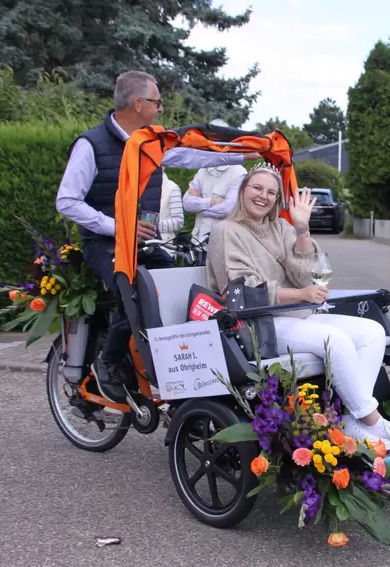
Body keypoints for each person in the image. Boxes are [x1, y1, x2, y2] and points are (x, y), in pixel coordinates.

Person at [56, 71, 260, 403]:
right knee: (135, 293)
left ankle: (177, 367)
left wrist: (242, 154)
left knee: (180, 288)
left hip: (145, 243)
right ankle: (107, 364)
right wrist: (117, 226)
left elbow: (194, 155)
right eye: (157, 102)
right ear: (138, 104)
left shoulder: (153, 142)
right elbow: (66, 201)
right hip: (104, 244)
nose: (161, 109)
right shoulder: (90, 145)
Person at [206, 163, 390, 449]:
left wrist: (301, 230)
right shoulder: (226, 230)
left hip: (298, 314)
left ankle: (351, 420)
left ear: (277, 199)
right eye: (257, 188)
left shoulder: (281, 227)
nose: (263, 196)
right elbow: (242, 289)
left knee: (372, 332)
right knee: (333, 339)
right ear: (242, 190)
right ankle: (374, 421)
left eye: (271, 192)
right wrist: (301, 294)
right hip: (258, 323)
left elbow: (306, 274)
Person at [182, 119, 247, 242]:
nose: (211, 145)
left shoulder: (239, 173)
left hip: (223, 242)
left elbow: (228, 209)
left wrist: (199, 204)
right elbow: (186, 204)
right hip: (198, 240)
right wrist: (213, 201)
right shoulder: (203, 169)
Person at [158, 171, 185, 244]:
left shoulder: (172, 188)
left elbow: (178, 222)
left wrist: (154, 225)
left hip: (164, 244)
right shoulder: (139, 185)